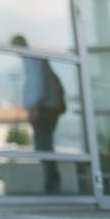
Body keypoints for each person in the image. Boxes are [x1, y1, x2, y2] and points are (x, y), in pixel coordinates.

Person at [15, 35, 67, 194]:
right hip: (49, 108)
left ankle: (52, 184)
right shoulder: (39, 61)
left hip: (43, 109)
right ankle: (52, 182)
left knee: (43, 146)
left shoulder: (32, 60)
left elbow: (37, 86)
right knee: (46, 145)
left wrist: (34, 108)